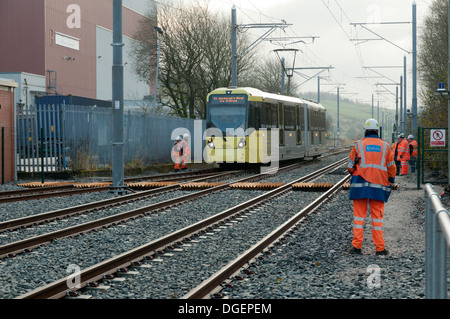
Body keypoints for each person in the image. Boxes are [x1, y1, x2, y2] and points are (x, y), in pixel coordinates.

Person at [347, 118, 396, 256]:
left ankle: (356, 247)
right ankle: (380, 249)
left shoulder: (358, 146)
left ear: (365, 130)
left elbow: (350, 167)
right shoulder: (386, 146)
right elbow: (391, 167)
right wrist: (391, 179)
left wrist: (356, 165)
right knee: (377, 218)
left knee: (359, 218)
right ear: (377, 130)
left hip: (359, 186)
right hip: (379, 186)